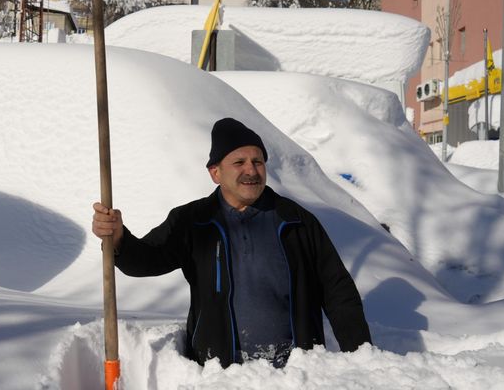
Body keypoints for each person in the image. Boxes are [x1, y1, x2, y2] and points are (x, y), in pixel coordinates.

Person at [92, 117, 371, 368]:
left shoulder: (295, 221)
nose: (251, 170)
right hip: (221, 373)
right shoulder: (193, 221)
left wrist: (361, 356)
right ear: (215, 173)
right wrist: (119, 240)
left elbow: (337, 290)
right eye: (239, 162)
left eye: (258, 161)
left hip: (296, 373)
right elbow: (146, 260)